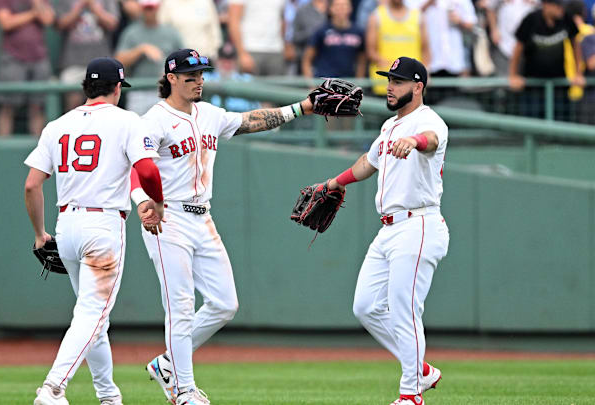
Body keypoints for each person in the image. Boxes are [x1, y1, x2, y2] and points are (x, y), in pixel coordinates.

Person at [131, 48, 314, 405]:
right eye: (190, 76)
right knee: (181, 307)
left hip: (203, 218)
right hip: (168, 220)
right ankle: (184, 391)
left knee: (224, 303)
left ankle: (168, 363)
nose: (199, 80)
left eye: (201, 74)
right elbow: (137, 169)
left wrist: (301, 108)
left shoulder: (209, 114)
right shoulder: (153, 120)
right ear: (171, 78)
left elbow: (249, 120)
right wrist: (143, 203)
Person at [24, 57, 165, 405]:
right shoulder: (126, 121)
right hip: (102, 226)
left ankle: (108, 396)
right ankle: (53, 387)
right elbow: (147, 169)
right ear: (117, 88)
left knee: (95, 319)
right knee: (91, 314)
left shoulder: (57, 125)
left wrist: (41, 234)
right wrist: (157, 201)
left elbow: (31, 185)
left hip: (66, 226)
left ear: (87, 87)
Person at [325, 56, 449, 405]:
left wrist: (416, 143)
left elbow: (431, 140)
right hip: (390, 229)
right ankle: (420, 370)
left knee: (404, 309)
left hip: (419, 223)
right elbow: (369, 162)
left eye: (397, 81)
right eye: (388, 79)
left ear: (418, 86)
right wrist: (335, 182)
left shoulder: (430, 121)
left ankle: (410, 394)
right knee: (365, 306)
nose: (389, 86)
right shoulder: (389, 126)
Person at [509, 0, 585, 119]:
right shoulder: (531, 20)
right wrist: (513, 75)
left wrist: (578, 73)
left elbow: (575, 45)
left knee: (561, 125)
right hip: (533, 87)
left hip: (558, 86)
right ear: (546, 5)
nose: (561, 9)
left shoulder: (566, 18)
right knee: (534, 125)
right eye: (557, 6)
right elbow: (518, 49)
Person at [0, 0, 55, 137]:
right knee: (8, 107)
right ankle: (3, 149)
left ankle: (40, 152)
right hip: (13, 57)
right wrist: (33, 14)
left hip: (39, 58)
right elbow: (6, 23)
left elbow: (48, 19)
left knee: (37, 107)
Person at [114, 0, 183, 114]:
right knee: (137, 128)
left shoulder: (171, 32)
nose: (149, 11)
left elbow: (184, 60)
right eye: (146, 8)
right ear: (141, 8)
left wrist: (170, 71)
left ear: (158, 8)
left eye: (152, 7)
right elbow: (118, 61)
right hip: (138, 91)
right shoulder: (131, 32)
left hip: (165, 91)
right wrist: (141, 49)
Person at [56, 0, 120, 111]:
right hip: (73, 62)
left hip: (101, 63)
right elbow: (60, 24)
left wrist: (94, 7)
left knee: (103, 105)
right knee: (73, 104)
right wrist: (80, 6)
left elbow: (113, 23)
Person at [366, 0, 430, 95]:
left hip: (412, 84)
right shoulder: (376, 16)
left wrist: (426, 73)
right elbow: (371, 51)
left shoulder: (418, 16)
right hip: (384, 86)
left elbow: (426, 50)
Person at [301, 0, 366, 79]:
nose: (341, 9)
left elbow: (362, 60)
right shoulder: (321, 31)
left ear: (350, 8)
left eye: (345, 5)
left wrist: (359, 82)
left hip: (347, 84)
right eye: (338, 5)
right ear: (330, 8)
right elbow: (307, 59)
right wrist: (311, 85)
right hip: (325, 82)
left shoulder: (358, 32)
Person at [227, 0, 288, 75]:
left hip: (276, 50)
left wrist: (284, 45)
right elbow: (233, 21)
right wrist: (242, 53)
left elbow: (282, 19)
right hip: (250, 49)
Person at [158, 0, 223, 59]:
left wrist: (213, 54)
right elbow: (162, 31)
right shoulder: (168, 3)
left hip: (203, 58)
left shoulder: (206, 2)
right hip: (178, 60)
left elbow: (215, 31)